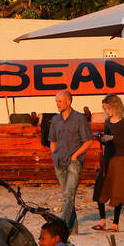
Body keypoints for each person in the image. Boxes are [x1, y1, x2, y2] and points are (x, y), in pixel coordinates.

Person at [48, 89, 91, 231]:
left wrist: (75, 156)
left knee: (68, 196)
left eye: (59, 101)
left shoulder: (80, 118)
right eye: (56, 101)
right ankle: (73, 229)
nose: (57, 104)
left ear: (68, 101)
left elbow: (88, 141)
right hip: (59, 162)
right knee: (67, 196)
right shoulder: (55, 120)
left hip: (74, 163)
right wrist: (54, 155)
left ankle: (60, 228)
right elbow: (52, 140)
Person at [92, 94, 124, 232]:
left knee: (118, 191)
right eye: (104, 108)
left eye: (108, 108)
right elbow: (106, 141)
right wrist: (101, 138)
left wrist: (112, 138)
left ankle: (115, 224)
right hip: (107, 158)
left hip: (120, 158)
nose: (106, 110)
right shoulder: (107, 121)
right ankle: (102, 220)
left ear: (115, 106)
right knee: (100, 188)